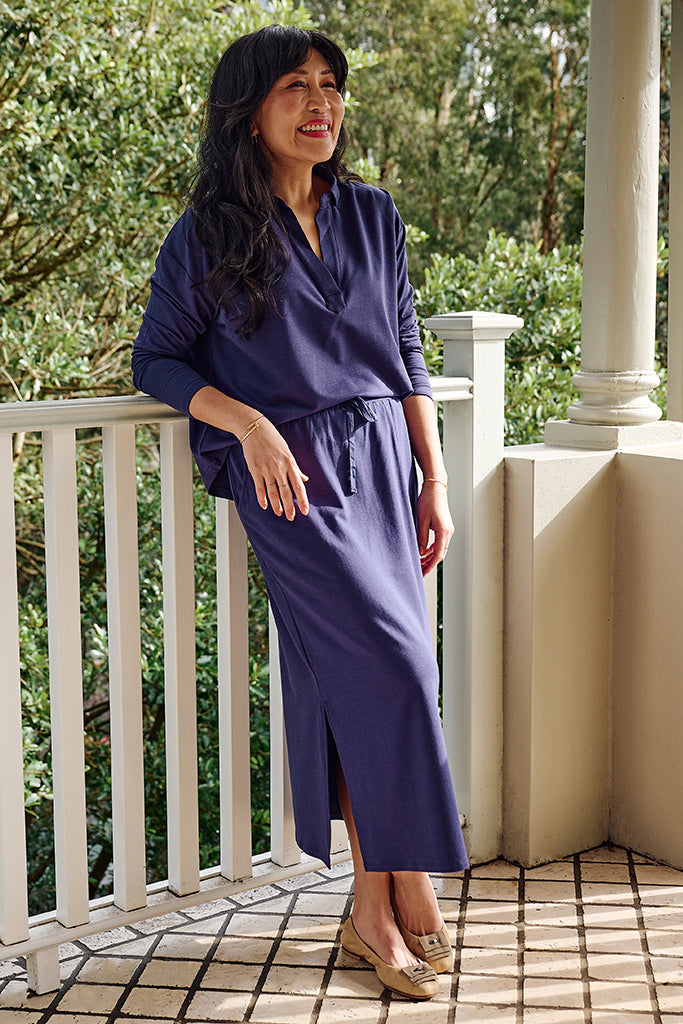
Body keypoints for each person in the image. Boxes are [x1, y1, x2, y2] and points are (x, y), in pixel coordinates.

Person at [132, 24, 468, 1001]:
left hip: (383, 464)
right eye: (294, 86)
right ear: (249, 112)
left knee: (361, 679)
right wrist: (245, 423)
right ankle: (393, 884)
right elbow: (157, 359)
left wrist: (433, 478)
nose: (320, 103)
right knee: (392, 667)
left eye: (330, 84)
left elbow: (404, 348)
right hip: (291, 482)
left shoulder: (370, 212)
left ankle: (376, 898)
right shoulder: (208, 232)